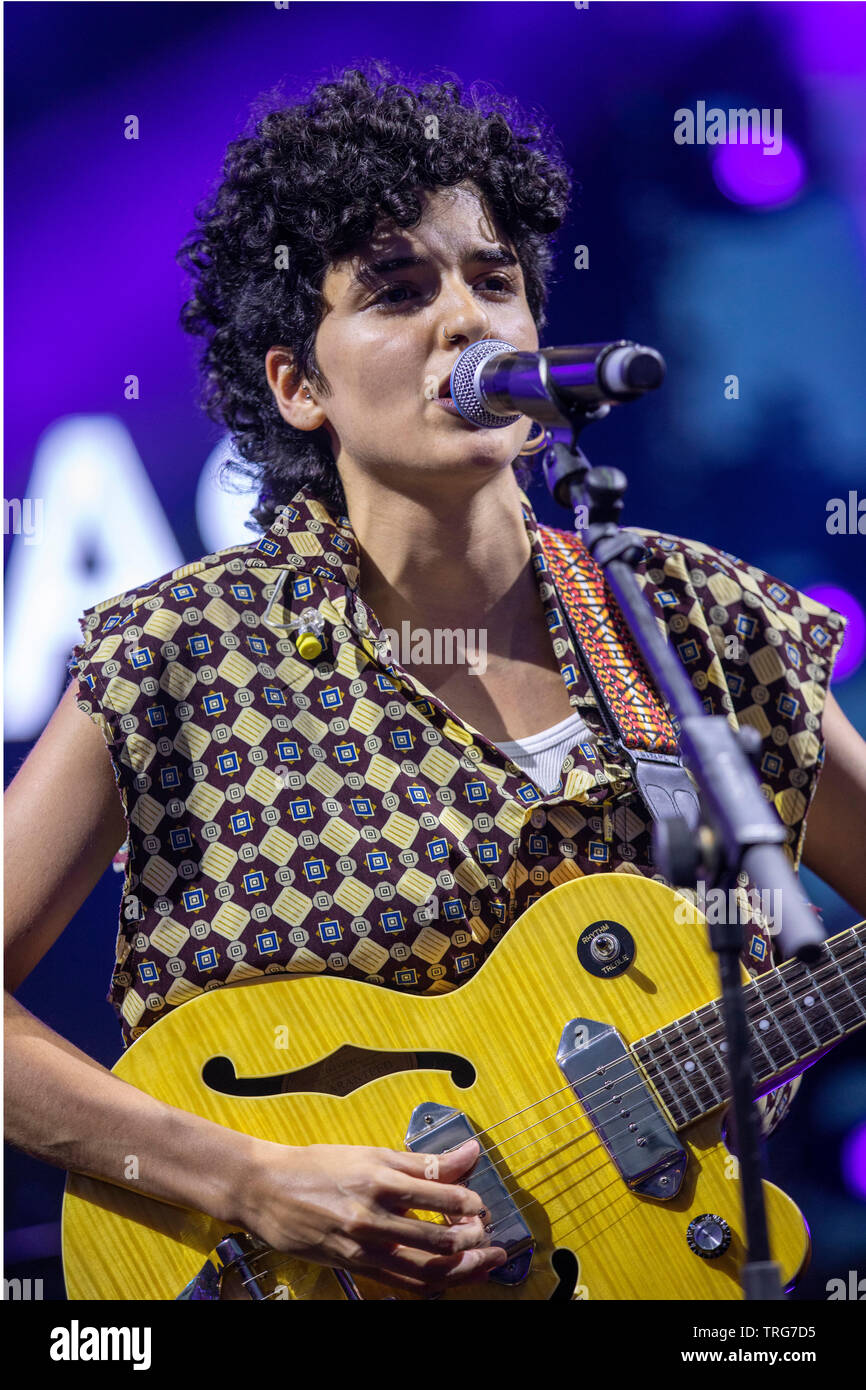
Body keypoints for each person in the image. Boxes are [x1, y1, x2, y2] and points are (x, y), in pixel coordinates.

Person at [5, 61, 866, 1300]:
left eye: (493, 280)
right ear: (297, 385)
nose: (465, 321)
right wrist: (245, 1179)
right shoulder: (178, 654)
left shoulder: (691, 621)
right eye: (399, 292)